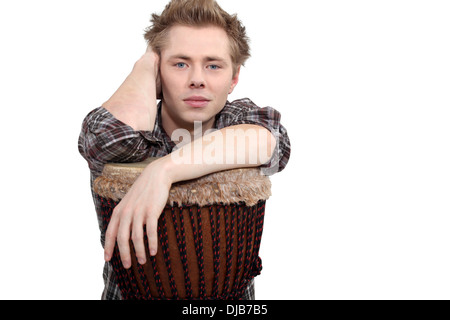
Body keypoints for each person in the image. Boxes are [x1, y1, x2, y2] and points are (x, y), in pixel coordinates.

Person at [78, 0, 290, 300]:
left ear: (234, 78)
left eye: (213, 65)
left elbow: (271, 142)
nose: (197, 79)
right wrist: (144, 68)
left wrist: (163, 170)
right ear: (157, 72)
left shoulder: (239, 121)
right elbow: (105, 139)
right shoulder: (131, 129)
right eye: (180, 63)